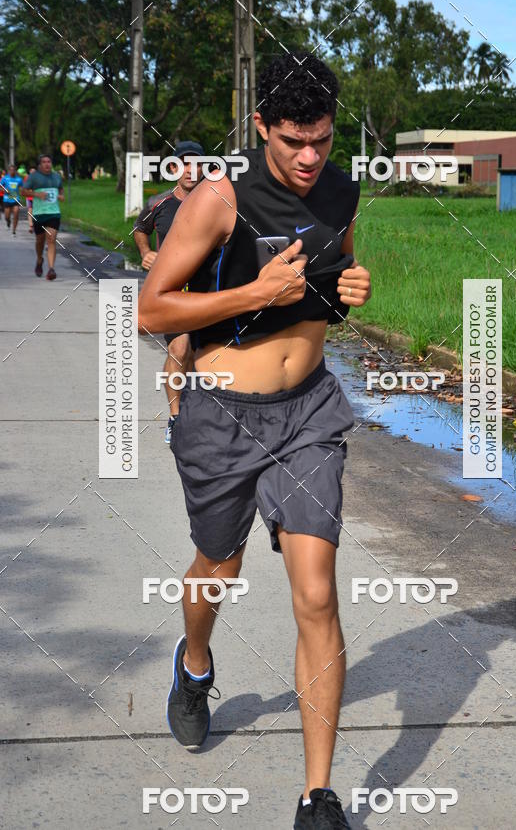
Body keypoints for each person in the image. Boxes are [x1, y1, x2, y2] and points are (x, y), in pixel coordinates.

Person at [138, 52, 371, 829]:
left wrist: (349, 292)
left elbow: (323, 294)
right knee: (221, 564)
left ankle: (318, 797)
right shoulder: (219, 199)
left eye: (323, 141)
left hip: (307, 412)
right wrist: (251, 292)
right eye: (293, 141)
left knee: (315, 592)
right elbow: (152, 310)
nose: (310, 159)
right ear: (262, 126)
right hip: (220, 414)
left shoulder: (341, 190)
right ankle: (195, 664)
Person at [133, 141, 205, 443]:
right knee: (179, 348)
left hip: (207, 291)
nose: (190, 170)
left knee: (200, 355)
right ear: (173, 168)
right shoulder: (160, 203)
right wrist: (146, 253)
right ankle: (176, 417)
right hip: (172, 291)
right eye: (183, 164)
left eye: (196, 163)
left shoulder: (218, 201)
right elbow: (140, 230)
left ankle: (194, 406)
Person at [22, 154, 64, 280]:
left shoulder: (57, 177)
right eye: (44, 162)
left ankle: (51, 269)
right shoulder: (34, 177)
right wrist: (36, 194)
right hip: (39, 214)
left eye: (49, 161)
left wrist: (61, 196)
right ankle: (40, 259)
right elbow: (23, 191)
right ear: (40, 165)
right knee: (40, 240)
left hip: (54, 213)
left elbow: (60, 190)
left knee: (51, 238)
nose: (47, 164)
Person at [2, 165, 23, 234]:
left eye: (13, 170)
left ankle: (14, 230)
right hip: (7, 199)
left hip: (15, 199)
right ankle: (8, 221)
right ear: (8, 171)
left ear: (15, 171)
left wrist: (22, 194)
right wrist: (4, 190)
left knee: (16, 213)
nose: (12, 171)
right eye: (11, 170)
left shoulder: (19, 179)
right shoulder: (5, 178)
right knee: (7, 216)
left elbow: (21, 188)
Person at [25, 167, 35, 233]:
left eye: (34, 171)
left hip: (37, 199)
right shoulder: (27, 178)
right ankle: (31, 226)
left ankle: (36, 225)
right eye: (32, 171)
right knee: (30, 212)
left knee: (36, 212)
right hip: (29, 198)